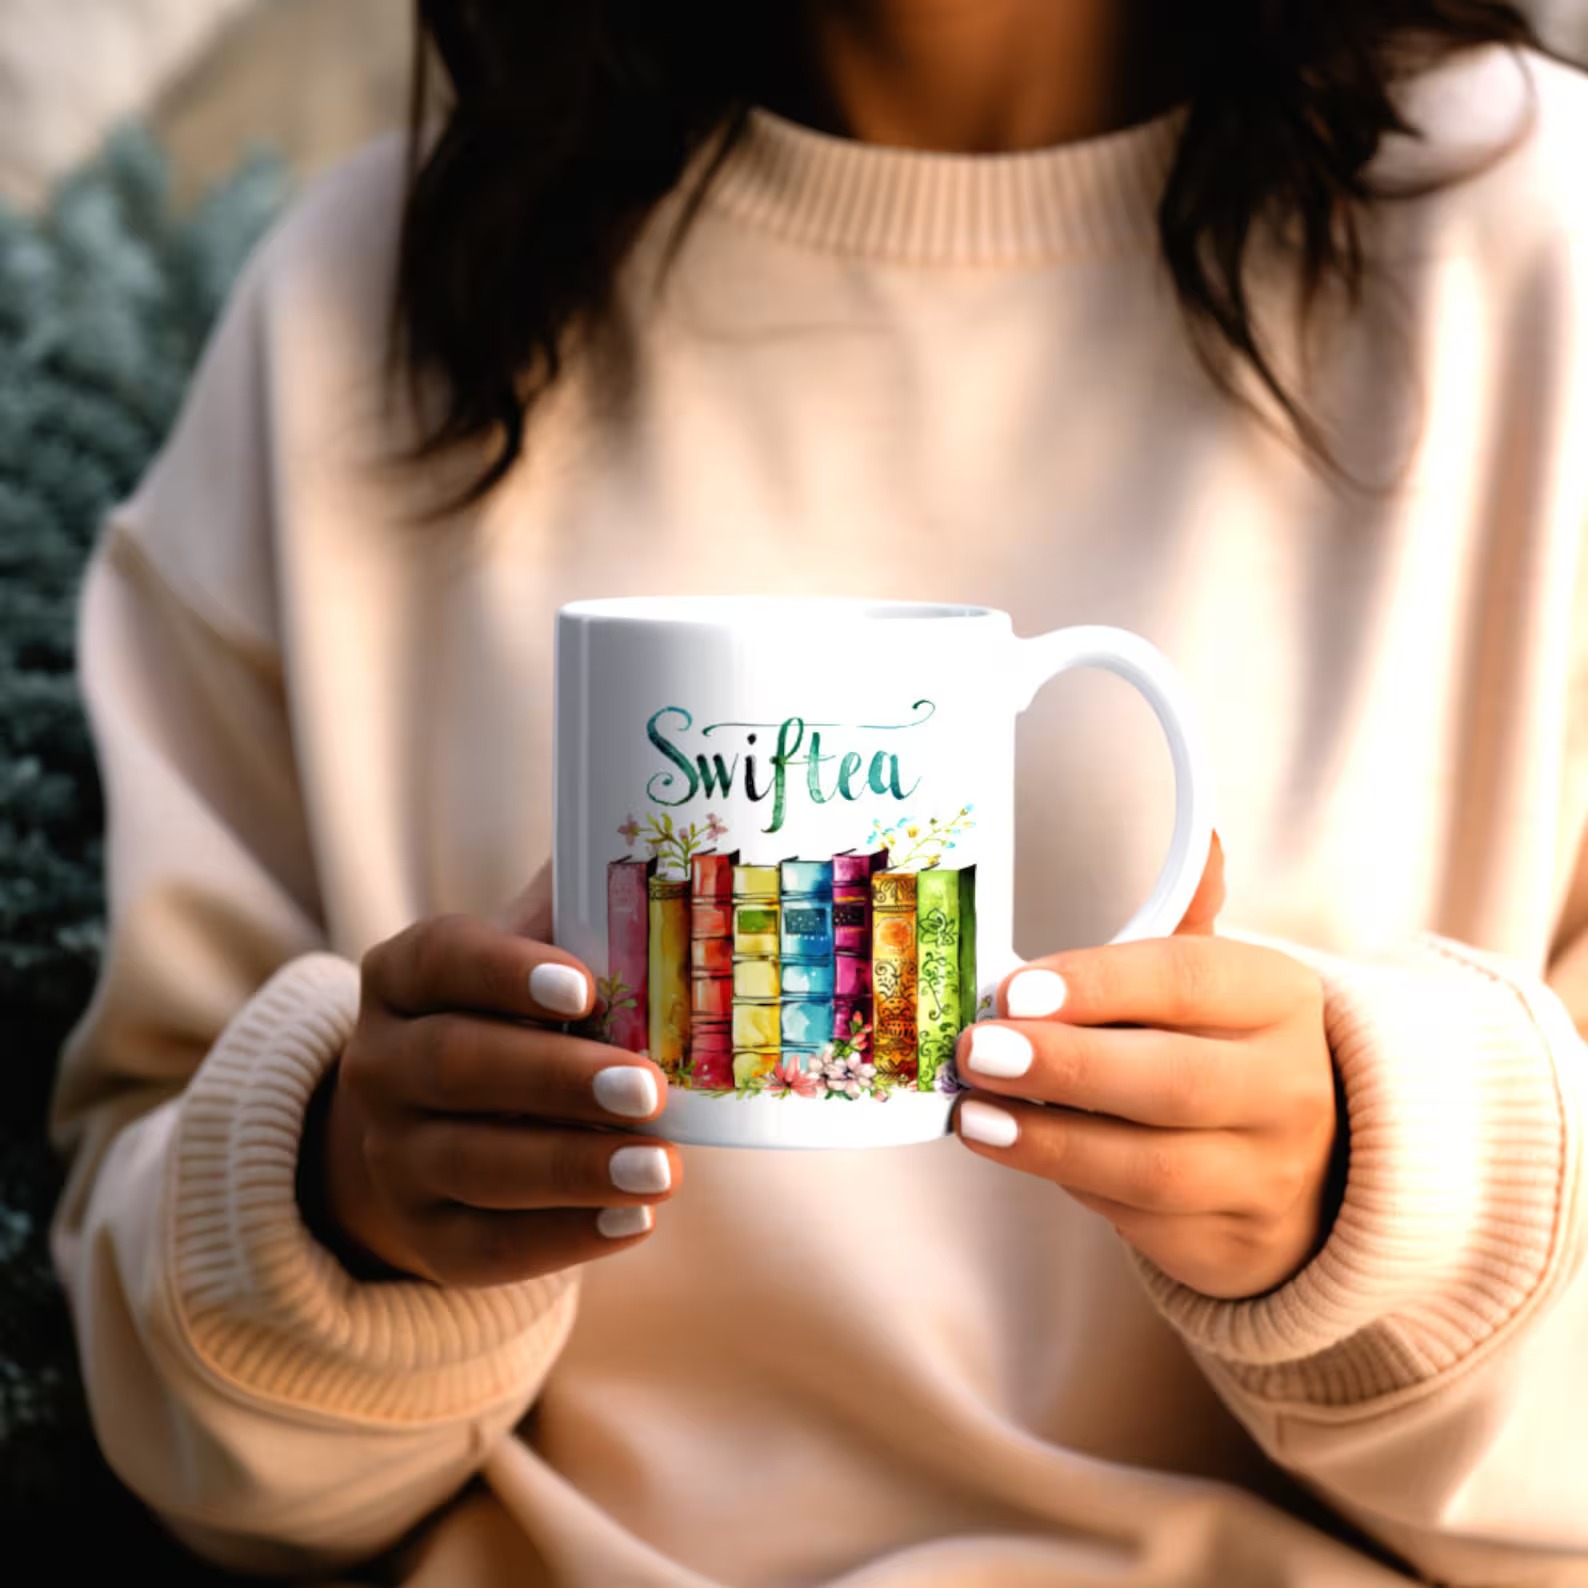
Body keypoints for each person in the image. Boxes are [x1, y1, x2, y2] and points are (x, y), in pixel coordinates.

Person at [48, 2, 1588, 1584]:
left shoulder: (1540, 249)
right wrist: (340, 1199)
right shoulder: (356, 304)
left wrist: (1382, 1194)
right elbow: (166, 1402)